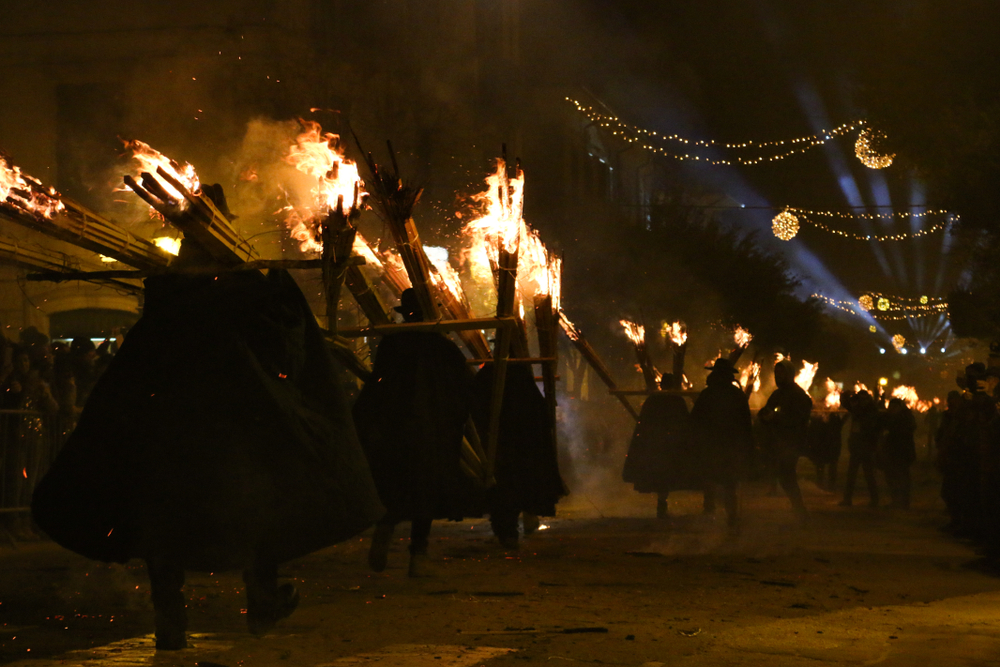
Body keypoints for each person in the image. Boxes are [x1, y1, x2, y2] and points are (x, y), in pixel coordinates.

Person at [33, 237, 383, 650]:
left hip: (166, 440)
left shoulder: (170, 303)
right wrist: (277, 286)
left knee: (165, 524)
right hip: (227, 440)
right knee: (253, 515)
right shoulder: (236, 301)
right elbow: (283, 345)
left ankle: (173, 617)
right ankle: (260, 601)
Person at [354, 288, 478, 577]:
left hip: (396, 429)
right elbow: (461, 390)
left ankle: (386, 530)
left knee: (395, 487)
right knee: (425, 493)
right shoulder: (444, 348)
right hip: (432, 431)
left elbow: (378, 384)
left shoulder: (393, 344)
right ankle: (417, 555)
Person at [471, 361, 566, 548]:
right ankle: (510, 531)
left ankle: (510, 531)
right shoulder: (514, 383)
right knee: (509, 490)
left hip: (507, 449)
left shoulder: (510, 382)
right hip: (509, 450)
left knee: (505, 492)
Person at [622, 373, 699, 520]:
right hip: (666, 445)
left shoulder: (656, 400)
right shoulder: (675, 400)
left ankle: (662, 504)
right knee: (664, 476)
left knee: (663, 476)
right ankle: (662, 505)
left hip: (660, 445)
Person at [690, 358, 754, 532]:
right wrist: (746, 446)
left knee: (710, 481)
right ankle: (731, 518)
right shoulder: (736, 395)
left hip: (713, 446)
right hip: (729, 446)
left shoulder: (707, 394)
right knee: (729, 483)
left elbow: (695, 421)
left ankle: (710, 515)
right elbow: (746, 424)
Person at [758, 360, 812, 521]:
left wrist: (777, 417)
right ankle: (799, 511)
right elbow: (767, 410)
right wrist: (765, 416)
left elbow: (799, 419)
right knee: (783, 476)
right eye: (776, 373)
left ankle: (800, 511)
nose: (778, 376)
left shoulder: (798, 395)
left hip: (791, 442)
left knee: (787, 476)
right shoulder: (778, 394)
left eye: (781, 373)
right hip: (777, 441)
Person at [839, 390, 883, 508]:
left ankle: (874, 500)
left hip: (866, 446)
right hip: (856, 446)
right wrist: (844, 396)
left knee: (869, 475)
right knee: (851, 475)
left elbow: (868, 424)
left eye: (864, 399)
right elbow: (846, 404)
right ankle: (847, 499)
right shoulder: (860, 408)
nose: (862, 401)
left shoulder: (870, 411)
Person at [880, 397, 917, 509]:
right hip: (892, 451)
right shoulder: (890, 417)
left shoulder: (906, 417)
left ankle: (904, 501)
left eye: (895, 407)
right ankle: (896, 500)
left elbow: (906, 431)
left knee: (902, 477)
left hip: (903, 451)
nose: (892, 409)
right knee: (891, 477)